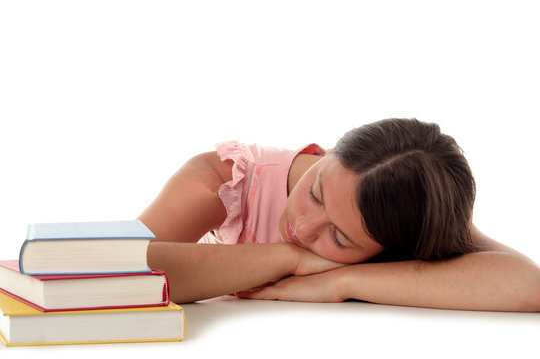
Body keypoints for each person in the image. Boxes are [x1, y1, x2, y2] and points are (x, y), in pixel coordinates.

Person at [139, 118, 540, 311]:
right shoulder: (226, 180)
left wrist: (343, 280)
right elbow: (123, 269)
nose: (303, 227)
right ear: (324, 152)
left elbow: (529, 285)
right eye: (315, 193)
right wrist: (290, 258)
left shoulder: (405, 216)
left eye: (342, 239)